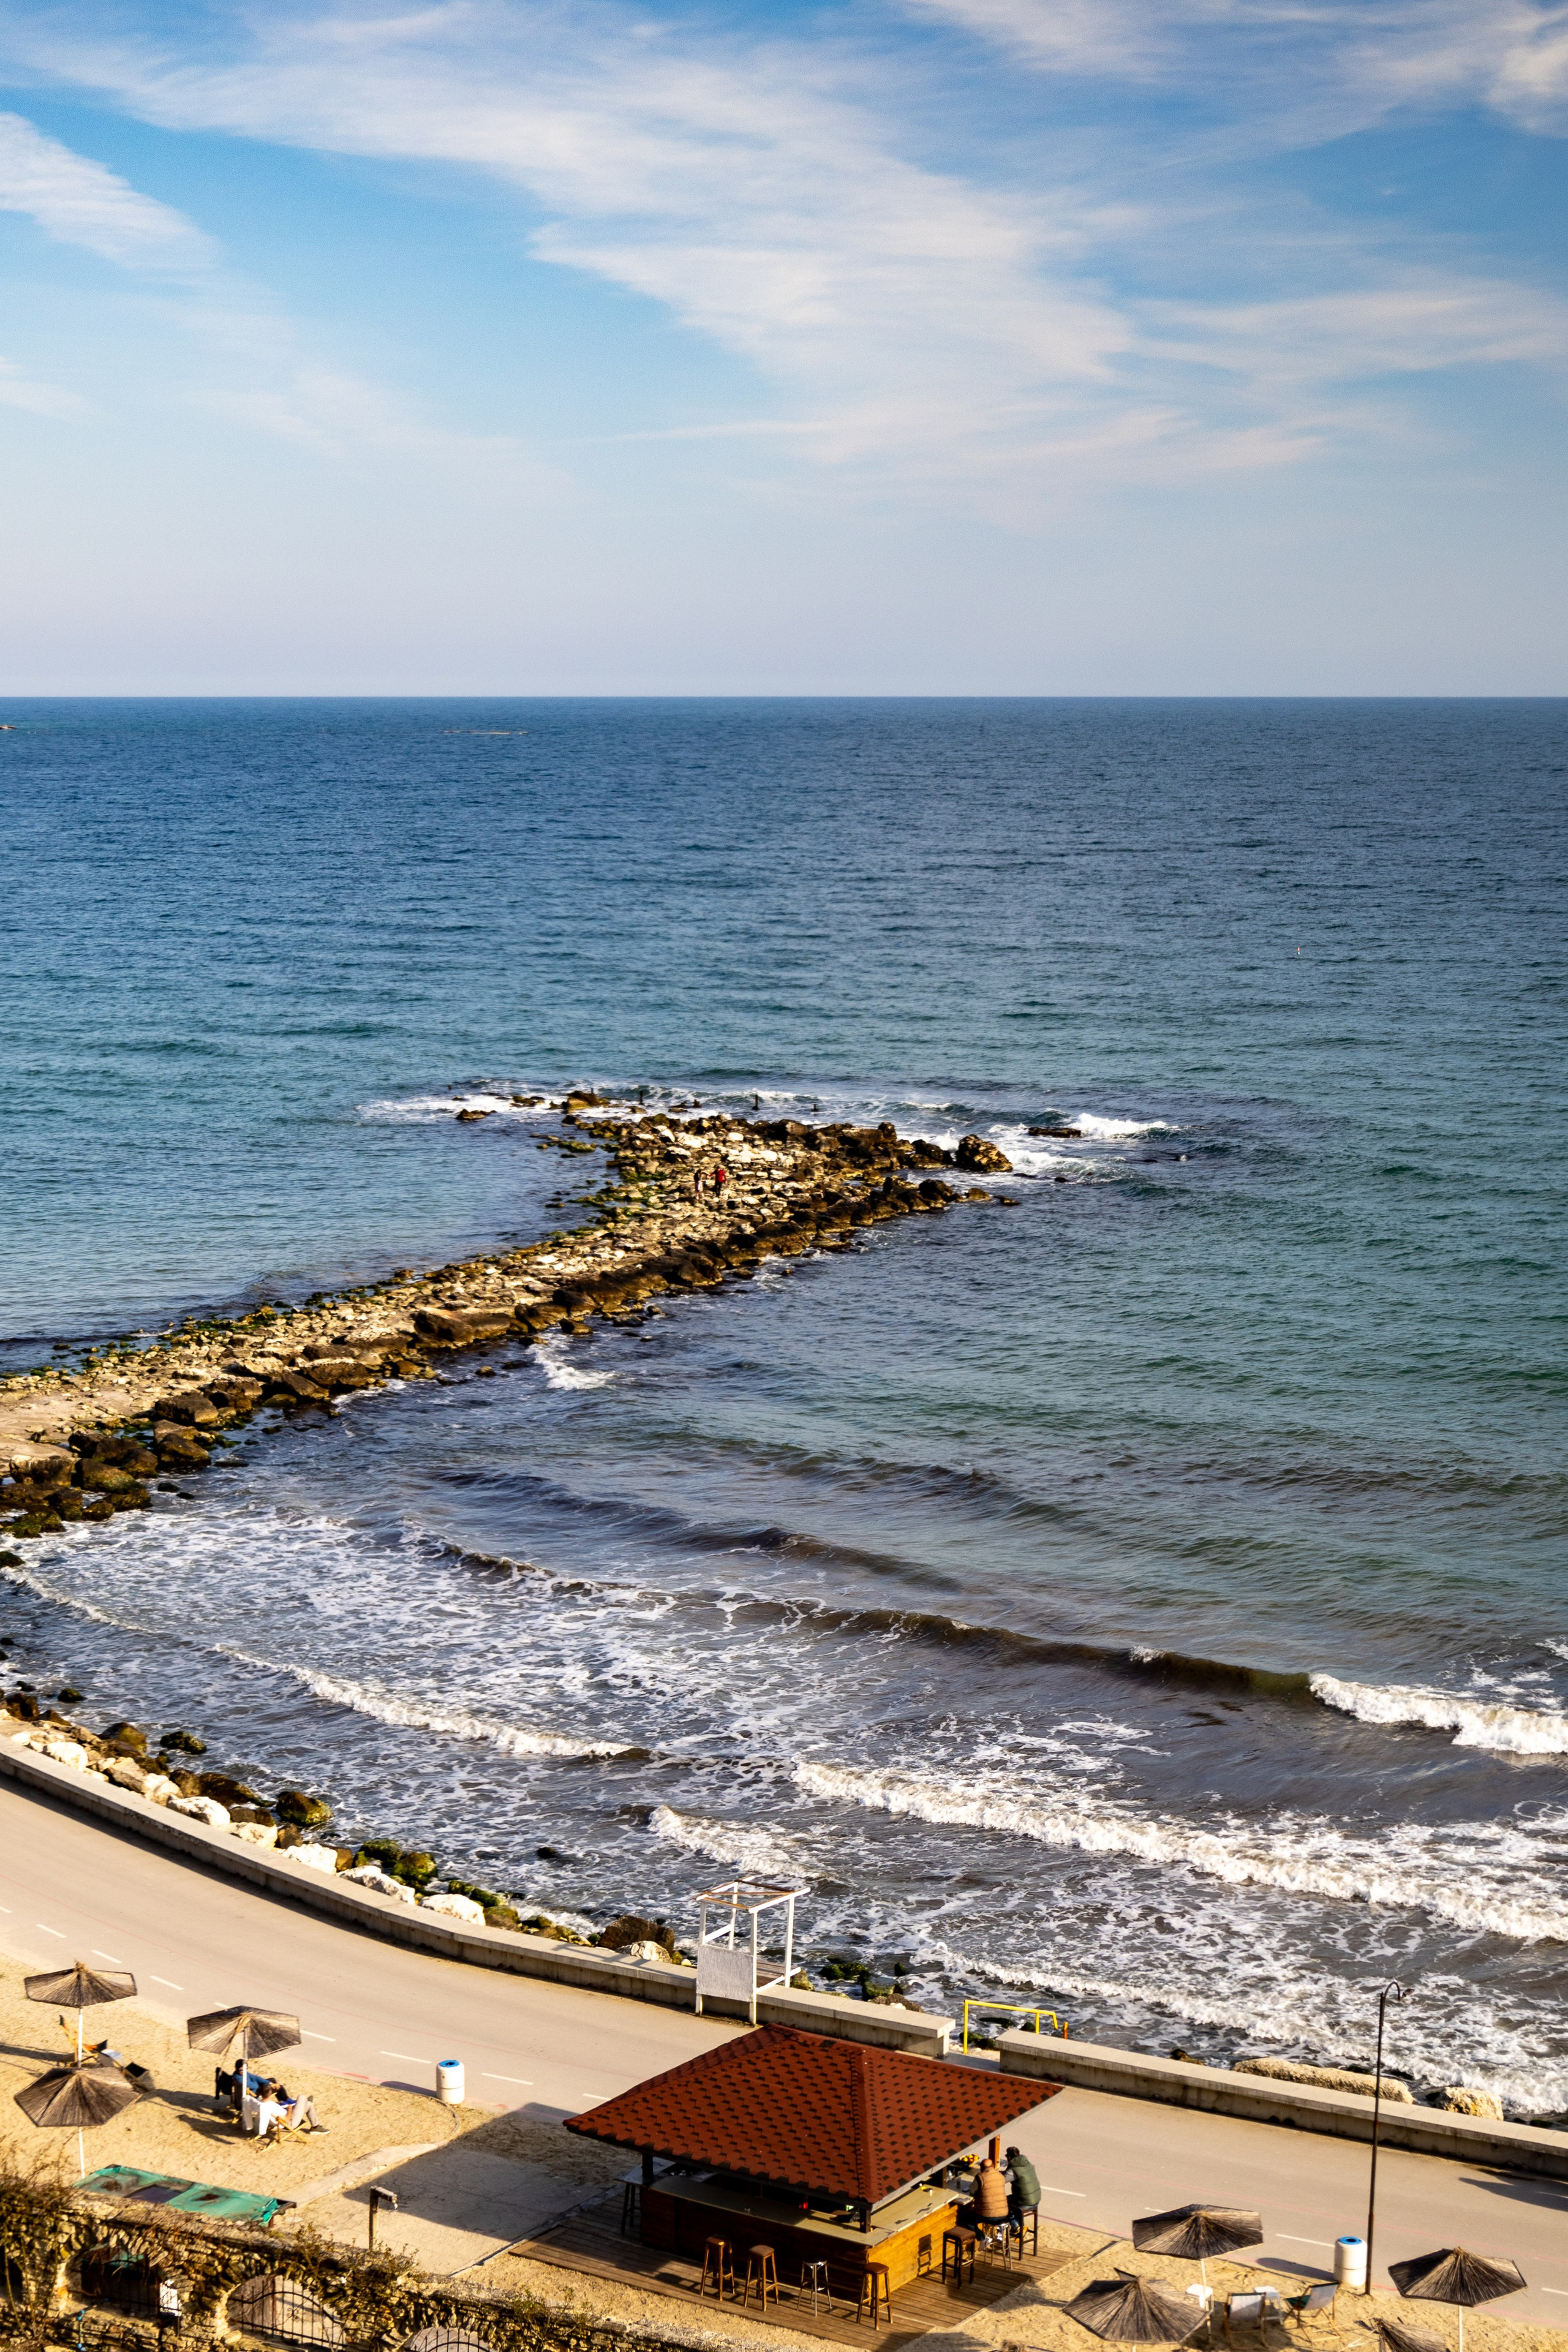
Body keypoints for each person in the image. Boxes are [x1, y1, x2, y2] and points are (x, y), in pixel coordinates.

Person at [1005, 2145, 1039, 2231]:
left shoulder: (1013, 2170)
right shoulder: (1027, 2164)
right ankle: (1020, 2224)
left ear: (1009, 2158)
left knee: (1002, 2204)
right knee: (1011, 2199)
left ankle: (1016, 2225)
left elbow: (1000, 2181)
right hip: (1036, 2199)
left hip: (1025, 2202)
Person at [971, 2157, 1009, 2228]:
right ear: (993, 2166)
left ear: (981, 2167)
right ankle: (999, 2233)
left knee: (967, 2220)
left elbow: (972, 2191)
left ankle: (982, 2237)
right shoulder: (1000, 2176)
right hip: (1004, 2213)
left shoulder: (980, 2177)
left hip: (987, 2215)